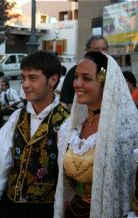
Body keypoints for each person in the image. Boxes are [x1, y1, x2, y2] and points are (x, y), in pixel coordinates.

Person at [54, 51, 138, 218]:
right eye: (76, 77)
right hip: (72, 211)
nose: (77, 83)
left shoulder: (125, 131)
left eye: (86, 79)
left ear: (104, 81)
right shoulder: (70, 128)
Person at [0, 51, 69, 218]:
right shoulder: (17, 117)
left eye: (33, 78)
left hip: (44, 211)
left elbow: (66, 181)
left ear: (53, 80)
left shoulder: (65, 122)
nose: (25, 84)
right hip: (9, 207)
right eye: (23, 77)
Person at [60, 35, 108, 111]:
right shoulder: (75, 71)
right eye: (96, 49)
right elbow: (64, 103)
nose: (101, 52)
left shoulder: (112, 72)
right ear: (87, 50)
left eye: (103, 49)